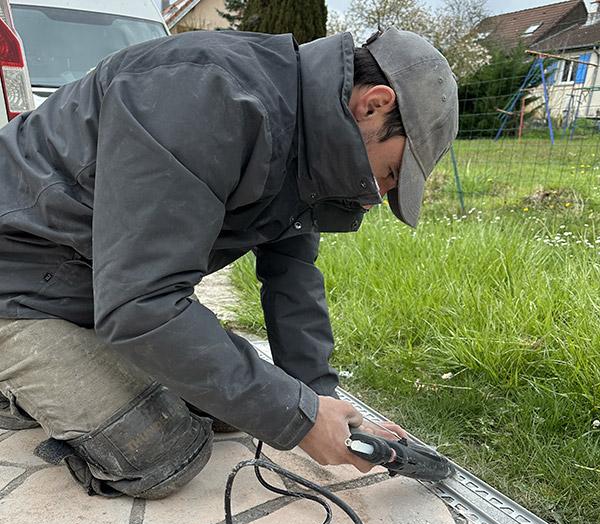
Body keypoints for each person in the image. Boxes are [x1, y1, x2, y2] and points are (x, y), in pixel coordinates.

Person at [0, 27, 458, 498]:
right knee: (162, 454)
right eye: (389, 174)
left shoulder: (305, 136)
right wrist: (297, 417)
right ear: (374, 104)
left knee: (235, 403)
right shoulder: (206, 97)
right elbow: (142, 304)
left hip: (97, 281)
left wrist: (318, 397)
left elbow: (292, 274)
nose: (377, 197)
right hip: (17, 279)